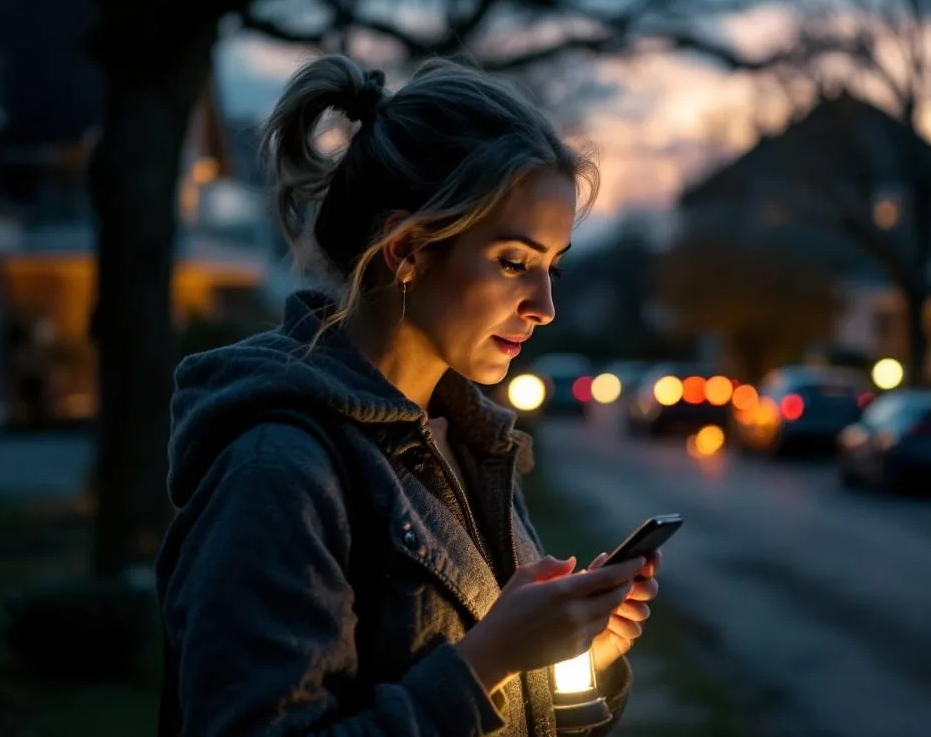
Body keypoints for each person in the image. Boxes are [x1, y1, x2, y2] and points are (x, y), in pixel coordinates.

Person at [154, 54, 662, 737]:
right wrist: (488, 660)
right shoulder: (277, 471)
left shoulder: (467, 442)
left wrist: (575, 659)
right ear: (408, 249)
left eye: (552, 267)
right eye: (514, 262)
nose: (544, 305)